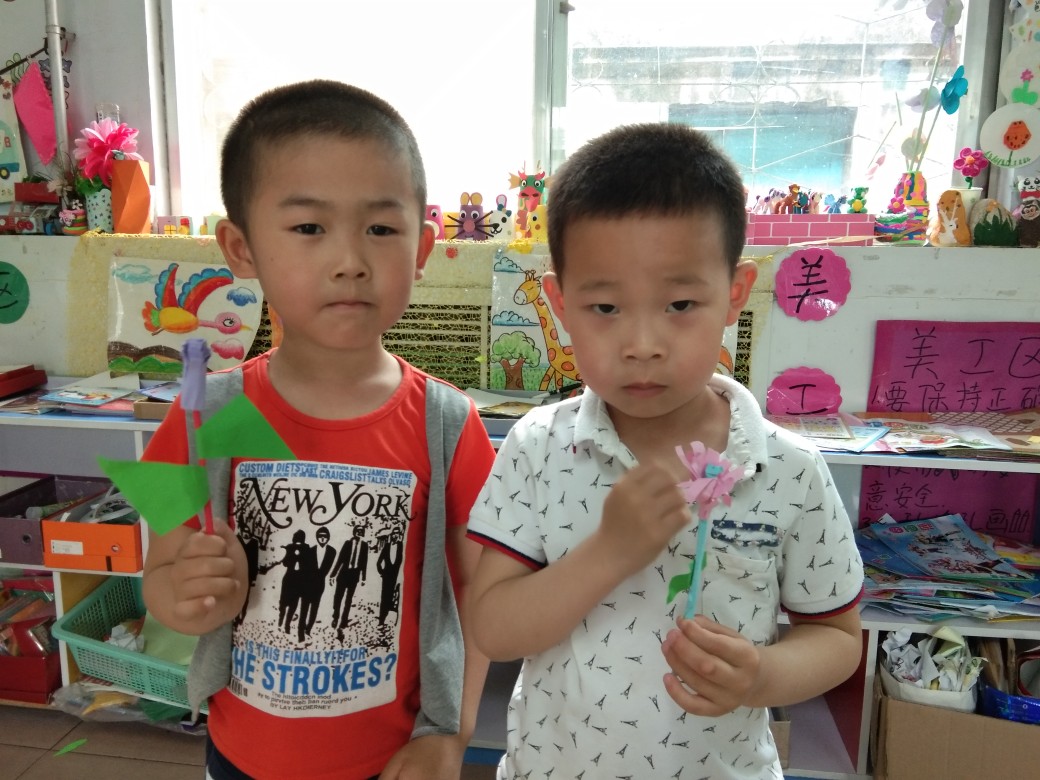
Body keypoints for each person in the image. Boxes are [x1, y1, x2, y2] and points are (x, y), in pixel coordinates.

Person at [467, 123, 865, 779]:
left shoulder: (789, 469)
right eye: (605, 308)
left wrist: (762, 674)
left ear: (734, 293)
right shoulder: (537, 448)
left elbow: (837, 637)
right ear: (561, 304)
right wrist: (608, 552)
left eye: (680, 303)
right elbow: (493, 629)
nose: (643, 344)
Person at [141, 79, 496, 780]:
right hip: (240, 759)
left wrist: (452, 737)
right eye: (309, 228)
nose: (350, 261)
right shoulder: (200, 415)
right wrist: (182, 597)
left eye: (381, 229)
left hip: (394, 762)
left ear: (423, 247)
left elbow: (483, 604)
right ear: (241, 247)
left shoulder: (449, 426)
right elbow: (159, 578)